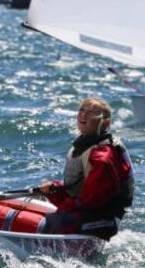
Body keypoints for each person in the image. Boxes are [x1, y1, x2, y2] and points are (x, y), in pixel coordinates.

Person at [37, 98, 134, 240]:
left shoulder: (103, 157)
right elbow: (79, 191)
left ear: (106, 123)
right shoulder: (86, 145)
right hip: (89, 212)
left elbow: (92, 199)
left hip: (103, 220)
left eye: (92, 112)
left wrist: (63, 205)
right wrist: (55, 190)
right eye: (82, 110)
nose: (83, 114)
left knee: (51, 222)